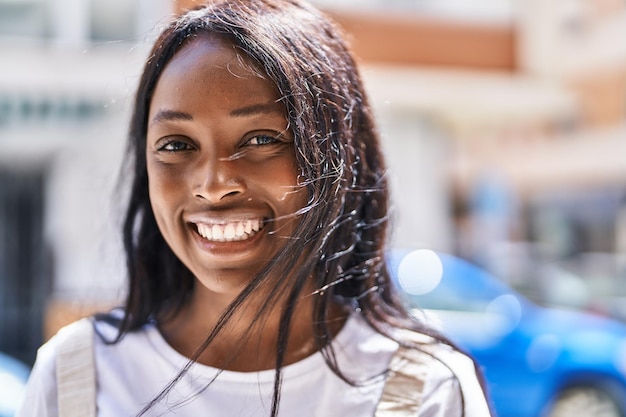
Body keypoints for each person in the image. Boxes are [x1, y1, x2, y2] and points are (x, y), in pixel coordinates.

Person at [17, 0, 492, 416]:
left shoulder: (424, 390)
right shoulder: (78, 376)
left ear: (338, 160)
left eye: (261, 139)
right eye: (177, 144)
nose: (213, 184)